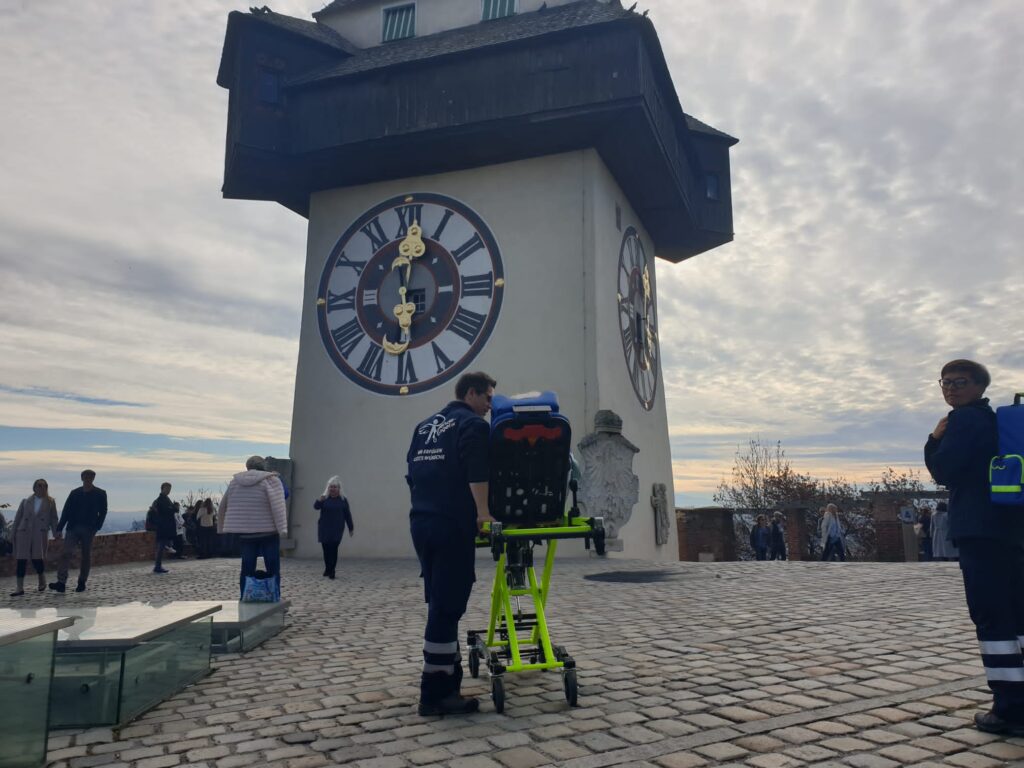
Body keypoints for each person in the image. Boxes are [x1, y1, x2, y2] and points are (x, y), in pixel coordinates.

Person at [925, 359, 1024, 735]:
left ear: (979, 386)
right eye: (945, 382)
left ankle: (1010, 710)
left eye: (959, 381)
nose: (950, 388)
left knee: (991, 616)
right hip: (1010, 528)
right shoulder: (997, 421)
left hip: (980, 530)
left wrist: (933, 439)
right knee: (1017, 615)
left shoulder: (964, 420)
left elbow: (944, 471)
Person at [406, 371, 497, 716]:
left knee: (439, 604)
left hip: (422, 522)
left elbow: (411, 475)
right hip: (451, 525)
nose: (490, 406)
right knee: (447, 608)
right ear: (471, 393)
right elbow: (477, 471)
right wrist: (484, 513)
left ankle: (448, 678)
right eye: (487, 397)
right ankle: (436, 692)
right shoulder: (472, 426)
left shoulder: (424, 426)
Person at [219, 456, 287, 599]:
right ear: (264, 466)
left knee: (247, 567)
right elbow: (279, 503)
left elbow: (223, 505)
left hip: (245, 532)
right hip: (267, 531)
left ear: (247, 466)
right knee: (273, 567)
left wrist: (222, 526)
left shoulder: (235, 482)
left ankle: (245, 595)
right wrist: (282, 528)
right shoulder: (271, 480)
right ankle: (275, 597)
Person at [51, 469, 108, 593]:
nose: (87, 479)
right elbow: (66, 511)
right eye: (85, 477)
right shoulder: (74, 493)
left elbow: (103, 511)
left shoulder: (100, 493)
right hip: (73, 528)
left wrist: (97, 526)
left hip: (89, 528)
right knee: (65, 553)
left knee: (85, 556)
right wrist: (60, 528)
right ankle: (61, 582)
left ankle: (82, 581)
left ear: (93, 478)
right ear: (82, 478)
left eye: (90, 477)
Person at [9, 479, 59, 596]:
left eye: (44, 486)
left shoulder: (50, 502)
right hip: (24, 532)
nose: (41, 488)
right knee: (21, 560)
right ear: (34, 487)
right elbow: (17, 518)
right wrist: (12, 534)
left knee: (37, 559)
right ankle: (19, 588)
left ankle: (42, 579)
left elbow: (53, 519)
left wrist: (56, 532)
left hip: (39, 533)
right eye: (39, 486)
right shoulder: (26, 501)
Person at [315, 476, 354, 580]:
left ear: (339, 488)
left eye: (335, 487)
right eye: (331, 487)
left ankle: (332, 571)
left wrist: (351, 527)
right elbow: (316, 507)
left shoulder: (343, 500)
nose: (332, 489)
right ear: (328, 488)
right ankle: (327, 568)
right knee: (326, 549)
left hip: (337, 529)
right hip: (324, 528)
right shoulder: (324, 498)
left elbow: (347, 515)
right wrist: (319, 500)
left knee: (333, 549)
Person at [150, 483, 179, 574]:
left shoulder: (166, 499)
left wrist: (173, 508)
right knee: (161, 546)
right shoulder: (161, 500)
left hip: (165, 526)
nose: (168, 491)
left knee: (162, 545)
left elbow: (172, 509)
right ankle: (157, 566)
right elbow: (165, 511)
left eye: (169, 489)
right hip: (162, 526)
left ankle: (158, 565)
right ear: (162, 489)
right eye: (167, 489)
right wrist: (173, 508)